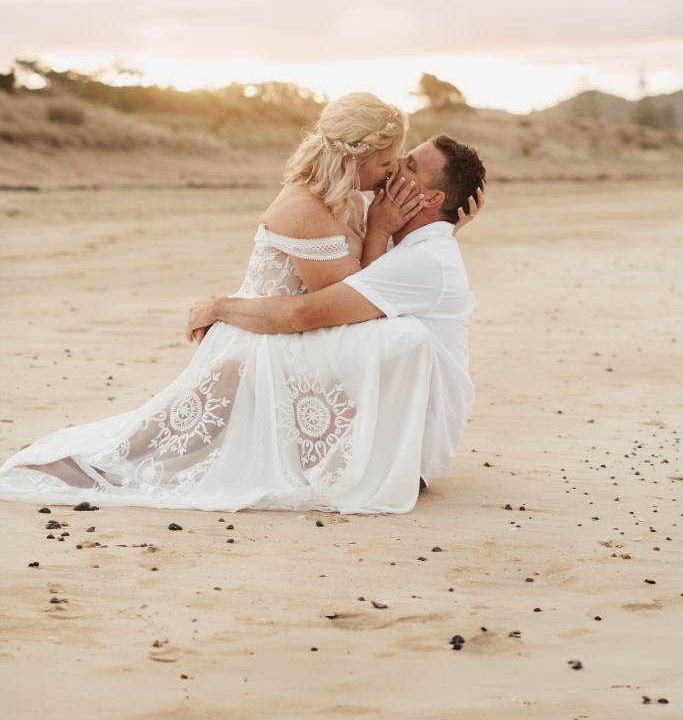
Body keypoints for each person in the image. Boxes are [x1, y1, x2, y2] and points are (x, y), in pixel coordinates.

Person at [0, 94, 483, 514]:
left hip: (290, 331)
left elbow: (365, 295)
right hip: (266, 335)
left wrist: (441, 225)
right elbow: (342, 308)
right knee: (157, 449)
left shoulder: (365, 206)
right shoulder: (311, 209)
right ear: (352, 159)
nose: (392, 172)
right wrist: (221, 308)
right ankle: (92, 466)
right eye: (388, 163)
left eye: (405, 165)